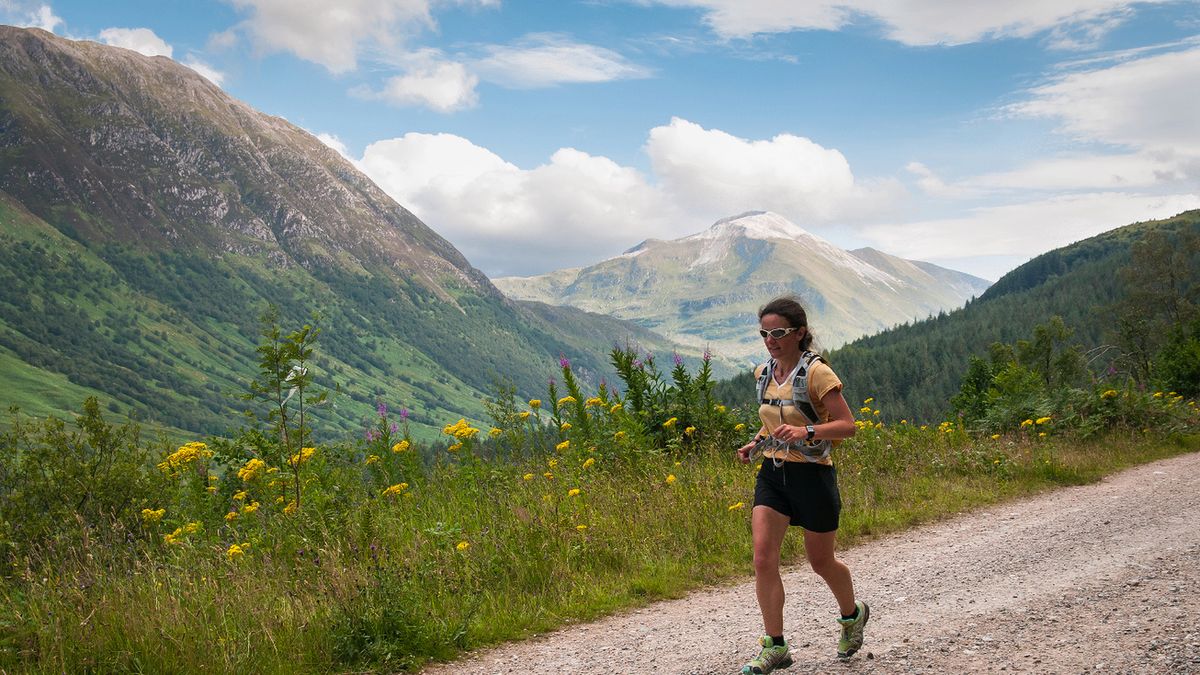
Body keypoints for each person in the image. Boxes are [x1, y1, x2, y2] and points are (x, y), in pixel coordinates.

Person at [735, 296, 869, 674]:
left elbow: (848, 425)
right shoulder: (764, 372)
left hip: (813, 476)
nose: (770, 340)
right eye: (764, 333)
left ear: (800, 333)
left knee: (821, 561)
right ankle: (775, 645)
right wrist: (756, 443)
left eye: (778, 332)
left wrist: (806, 430)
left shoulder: (817, 373)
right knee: (763, 558)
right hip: (774, 475)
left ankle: (851, 615)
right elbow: (773, 422)